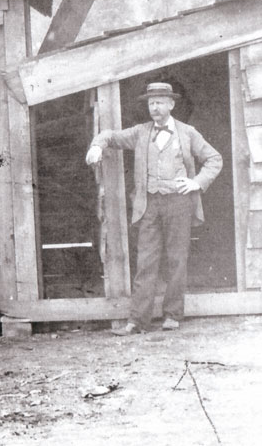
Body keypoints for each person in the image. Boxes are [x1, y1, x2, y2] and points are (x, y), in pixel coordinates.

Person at [85, 81, 222, 334]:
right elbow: (111, 136)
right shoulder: (141, 132)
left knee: (176, 259)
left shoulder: (188, 132)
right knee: (146, 261)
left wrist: (196, 182)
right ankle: (137, 321)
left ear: (171, 104)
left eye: (159, 102)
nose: (155, 107)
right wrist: (97, 145)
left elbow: (214, 159)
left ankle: (172, 315)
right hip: (149, 205)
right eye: (151, 103)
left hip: (179, 204)